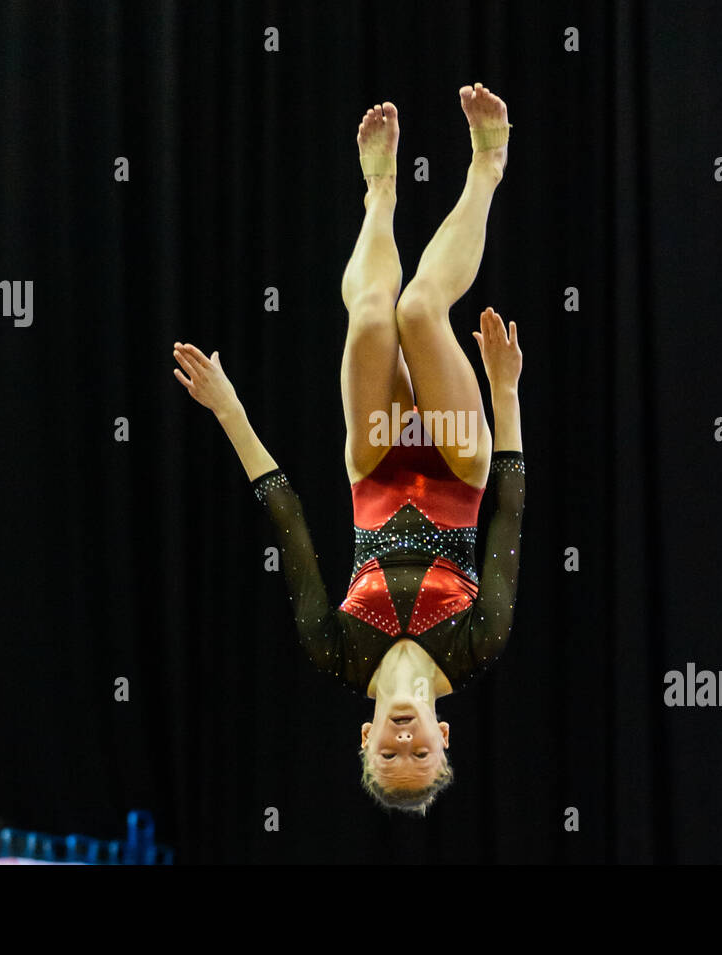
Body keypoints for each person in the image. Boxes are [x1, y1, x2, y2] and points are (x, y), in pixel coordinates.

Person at [173, 84, 524, 815]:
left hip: (371, 468)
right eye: (419, 753)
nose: (403, 740)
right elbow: (509, 517)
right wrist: (504, 390)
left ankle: (380, 192)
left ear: (362, 738)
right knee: (420, 310)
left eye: (386, 753)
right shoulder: (478, 645)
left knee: (371, 319)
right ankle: (486, 168)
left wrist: (230, 409)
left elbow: (290, 519)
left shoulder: (333, 649)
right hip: (459, 467)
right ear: (444, 734)